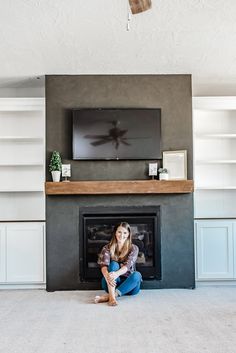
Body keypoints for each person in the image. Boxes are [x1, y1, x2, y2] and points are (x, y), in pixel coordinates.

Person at [94, 222, 142, 306]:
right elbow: (103, 266)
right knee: (113, 264)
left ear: (128, 234)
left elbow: (127, 266)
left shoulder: (134, 248)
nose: (122, 235)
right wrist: (108, 277)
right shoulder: (107, 248)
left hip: (130, 285)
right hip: (111, 283)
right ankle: (112, 297)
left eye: (125, 233)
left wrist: (116, 274)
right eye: (119, 232)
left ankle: (110, 296)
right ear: (115, 232)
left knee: (137, 275)